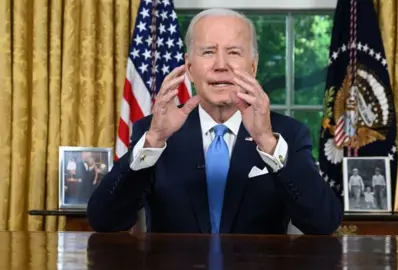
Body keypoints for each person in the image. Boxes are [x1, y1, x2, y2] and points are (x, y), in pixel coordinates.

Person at [87, 8, 343, 235]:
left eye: (233, 52)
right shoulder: (153, 131)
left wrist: (267, 142)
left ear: (252, 67)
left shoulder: (287, 133)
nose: (221, 65)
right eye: (208, 52)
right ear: (189, 67)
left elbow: (323, 223)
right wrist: (153, 141)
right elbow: (105, 221)